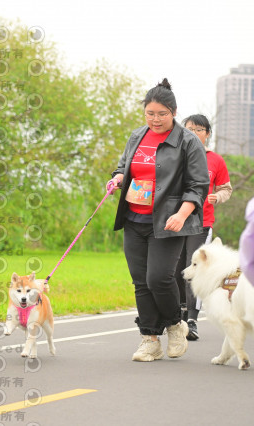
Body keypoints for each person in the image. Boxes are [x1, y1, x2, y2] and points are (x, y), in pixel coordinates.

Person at [107, 79, 209, 362]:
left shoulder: (188, 141)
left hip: (169, 220)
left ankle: (175, 324)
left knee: (159, 279)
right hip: (134, 218)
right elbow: (124, 166)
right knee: (141, 281)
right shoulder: (137, 136)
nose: (155, 119)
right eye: (150, 113)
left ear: (174, 112)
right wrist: (118, 178)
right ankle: (149, 339)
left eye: (162, 114)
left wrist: (181, 214)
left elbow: (198, 185)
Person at [175, 114, 232, 340]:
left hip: (202, 222)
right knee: (176, 268)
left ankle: (192, 319)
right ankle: (178, 315)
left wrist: (218, 196)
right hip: (175, 220)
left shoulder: (215, 160)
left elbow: (226, 188)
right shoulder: (176, 155)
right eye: (189, 129)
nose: (194, 133)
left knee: (196, 268)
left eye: (199, 129)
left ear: (207, 134)